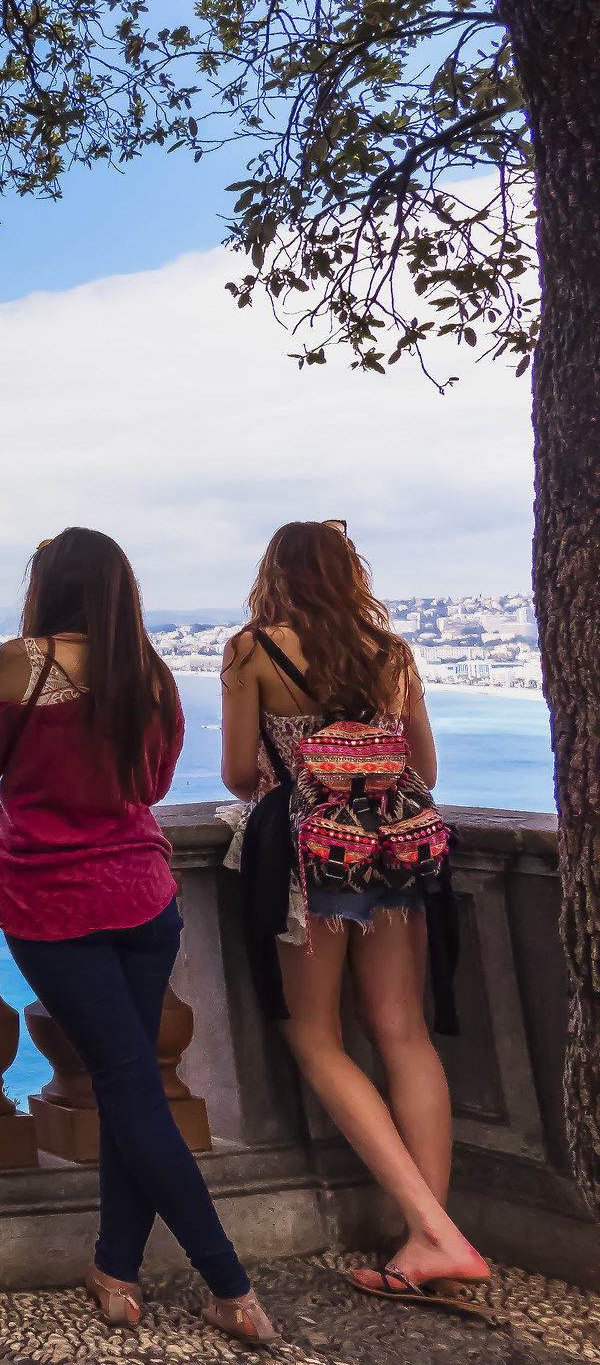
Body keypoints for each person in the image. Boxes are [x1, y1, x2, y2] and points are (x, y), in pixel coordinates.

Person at [0, 529, 276, 1346]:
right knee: (128, 1085)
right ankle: (117, 1272)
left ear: (47, 588)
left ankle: (232, 1286)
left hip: (54, 905)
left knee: (129, 1090)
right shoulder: (153, 675)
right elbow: (154, 783)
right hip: (144, 899)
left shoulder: (21, 663)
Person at [221, 520, 489, 1313]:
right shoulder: (393, 652)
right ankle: (428, 1235)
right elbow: (425, 769)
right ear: (351, 574)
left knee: (314, 1036)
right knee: (402, 1034)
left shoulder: (251, 651)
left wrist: (295, 762)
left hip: (311, 857)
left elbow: (240, 774)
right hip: (399, 853)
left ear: (274, 573)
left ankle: (433, 1232)